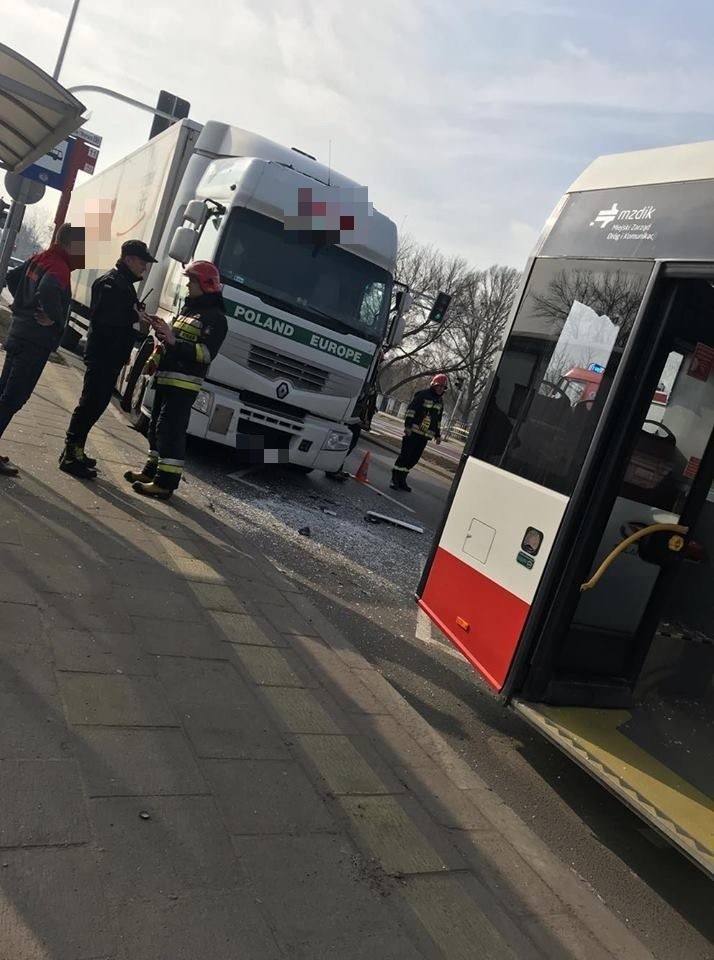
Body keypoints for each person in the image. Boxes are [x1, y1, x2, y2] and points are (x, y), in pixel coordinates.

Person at [124, 260, 228, 500]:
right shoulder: (189, 311)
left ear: (205, 284)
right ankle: (151, 472)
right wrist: (158, 346)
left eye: (192, 281)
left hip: (183, 384)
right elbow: (171, 340)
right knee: (155, 427)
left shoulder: (215, 318)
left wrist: (172, 340)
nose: (188, 285)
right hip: (167, 378)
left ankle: (165, 483)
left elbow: (205, 354)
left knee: (170, 431)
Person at [59, 239, 157, 479]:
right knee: (89, 405)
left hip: (111, 356)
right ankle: (71, 455)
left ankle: (77, 451)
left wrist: (136, 318)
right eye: (142, 262)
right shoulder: (110, 283)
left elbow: (120, 319)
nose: (145, 267)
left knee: (97, 405)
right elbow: (107, 319)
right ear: (129, 259)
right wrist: (134, 317)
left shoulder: (124, 284)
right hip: (102, 354)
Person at [0, 224, 84, 476]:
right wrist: (54, 317)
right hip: (34, 341)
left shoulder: (40, 257)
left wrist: (24, 305)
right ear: (70, 245)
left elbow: (13, 278)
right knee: (13, 398)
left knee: (4, 391)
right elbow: (48, 290)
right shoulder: (59, 267)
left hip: (18, 332)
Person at [390, 373, 448, 491]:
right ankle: (394, 479)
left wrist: (437, 435)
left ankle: (402, 479)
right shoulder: (422, 395)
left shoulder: (440, 402)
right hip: (413, 433)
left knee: (414, 459)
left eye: (443, 387)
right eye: (439, 386)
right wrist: (408, 426)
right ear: (434, 386)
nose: (440, 389)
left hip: (424, 436)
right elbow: (411, 411)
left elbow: (438, 420)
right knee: (405, 456)